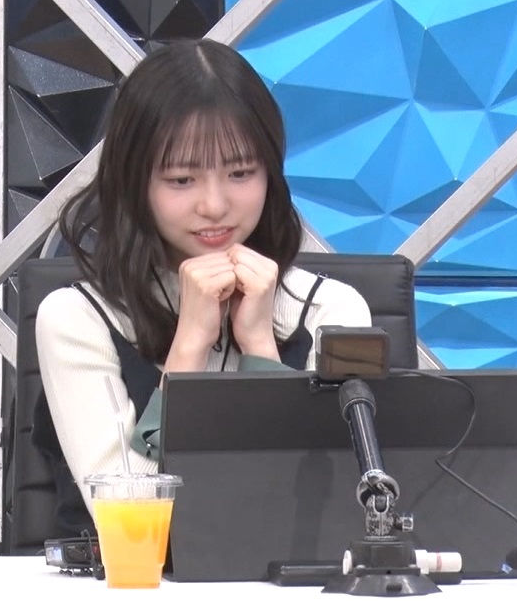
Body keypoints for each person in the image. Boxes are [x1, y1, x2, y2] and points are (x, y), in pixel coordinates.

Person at [33, 38, 372, 535]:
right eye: (181, 180)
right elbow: (130, 524)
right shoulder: (76, 318)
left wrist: (260, 349)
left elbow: (325, 515)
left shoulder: (333, 311)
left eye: (241, 173)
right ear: (135, 183)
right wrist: (189, 345)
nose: (214, 206)